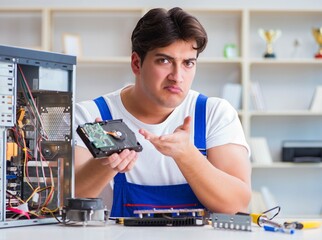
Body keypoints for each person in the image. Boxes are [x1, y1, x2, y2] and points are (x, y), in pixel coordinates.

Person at [74, 7, 251, 217]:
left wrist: (188, 155)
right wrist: (106, 165)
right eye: (164, 61)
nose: (177, 76)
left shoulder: (214, 114)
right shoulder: (89, 115)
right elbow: (66, 201)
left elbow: (238, 205)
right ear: (136, 63)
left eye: (188, 63)